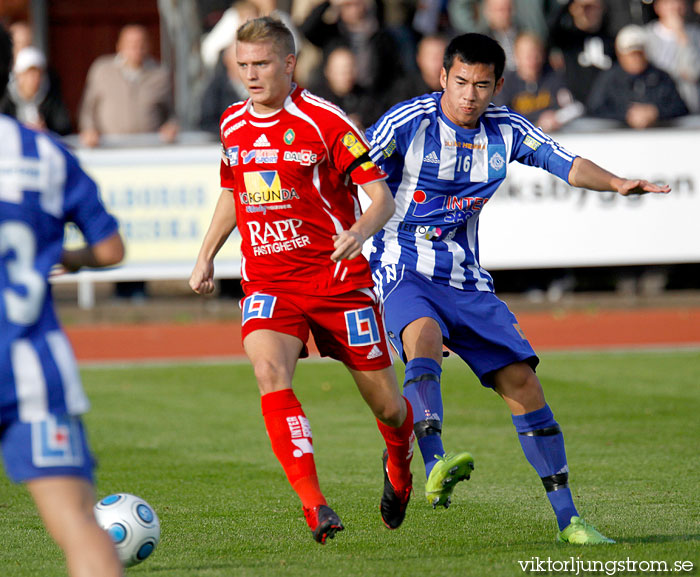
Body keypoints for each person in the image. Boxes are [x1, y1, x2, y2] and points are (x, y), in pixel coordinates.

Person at [366, 32, 670, 544]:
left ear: (498, 85)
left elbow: (566, 162)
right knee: (422, 340)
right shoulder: (408, 122)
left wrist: (618, 183)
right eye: (460, 82)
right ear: (442, 78)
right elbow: (349, 166)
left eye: (481, 85)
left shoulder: (507, 129)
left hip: (466, 278)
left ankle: (569, 520)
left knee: (524, 386)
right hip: (402, 265)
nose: (469, 95)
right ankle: (436, 462)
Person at [189, 16, 415, 544]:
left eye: (261, 64)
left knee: (386, 404)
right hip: (269, 282)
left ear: (289, 64)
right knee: (269, 371)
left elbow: (381, 199)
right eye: (243, 65)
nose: (251, 75)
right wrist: (206, 255)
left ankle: (399, 458)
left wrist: (358, 231)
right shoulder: (232, 124)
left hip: (338, 281)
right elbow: (234, 191)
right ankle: (315, 506)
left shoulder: (325, 122)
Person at [0, 25, 126, 577]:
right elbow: (110, 248)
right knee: (78, 524)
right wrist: (68, 260)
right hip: (30, 365)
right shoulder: (44, 153)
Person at [78, 24, 179, 148]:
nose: (137, 48)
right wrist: (89, 130)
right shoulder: (102, 70)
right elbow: (88, 109)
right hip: (108, 147)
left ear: (149, 46)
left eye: (141, 43)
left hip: (149, 148)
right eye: (131, 44)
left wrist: (170, 127)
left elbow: (170, 113)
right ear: (119, 46)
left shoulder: (159, 74)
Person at [587, 24, 688, 128]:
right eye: (630, 54)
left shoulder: (662, 77)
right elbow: (595, 109)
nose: (635, 58)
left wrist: (655, 112)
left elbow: (680, 107)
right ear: (620, 55)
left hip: (658, 138)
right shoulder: (609, 78)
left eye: (639, 53)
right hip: (618, 139)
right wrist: (627, 114)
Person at [495, 32, 584, 132]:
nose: (532, 61)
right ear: (516, 57)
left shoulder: (553, 78)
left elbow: (576, 108)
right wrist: (536, 124)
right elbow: (499, 117)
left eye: (536, 55)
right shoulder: (506, 84)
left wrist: (557, 117)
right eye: (527, 56)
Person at [0, 46, 72, 135]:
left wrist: (46, 130)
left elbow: (64, 127)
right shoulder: (6, 100)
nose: (34, 79)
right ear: (19, 76)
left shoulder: (51, 99)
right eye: (28, 74)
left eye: (38, 74)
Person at [644, 0, 700, 113]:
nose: (674, 7)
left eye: (679, 2)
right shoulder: (645, 36)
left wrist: (682, 37)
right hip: (654, 105)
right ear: (657, 7)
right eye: (668, 3)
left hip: (687, 104)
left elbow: (692, 72)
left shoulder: (695, 35)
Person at [199, 42, 248, 134]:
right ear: (227, 60)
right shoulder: (216, 88)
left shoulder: (259, 84)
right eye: (238, 58)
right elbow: (206, 122)